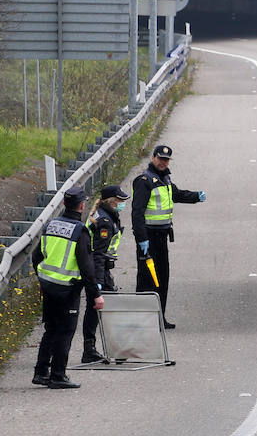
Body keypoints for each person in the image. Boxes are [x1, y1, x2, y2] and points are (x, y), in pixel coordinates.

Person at [31, 187, 104, 388]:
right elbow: (87, 267)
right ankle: (58, 376)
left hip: (48, 286)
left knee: (51, 329)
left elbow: (36, 256)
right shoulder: (80, 231)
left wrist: (43, 278)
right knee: (65, 331)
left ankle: (41, 372)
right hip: (68, 289)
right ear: (82, 206)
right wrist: (96, 295)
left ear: (64, 204)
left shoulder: (50, 225)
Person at [132, 144, 205, 329]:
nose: (163, 162)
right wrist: (141, 239)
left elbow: (176, 194)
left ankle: (159, 318)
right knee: (147, 280)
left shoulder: (164, 179)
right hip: (148, 237)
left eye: (166, 160)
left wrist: (196, 196)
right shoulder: (144, 180)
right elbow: (137, 212)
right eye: (160, 158)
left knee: (162, 279)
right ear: (153, 158)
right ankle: (142, 320)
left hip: (161, 237)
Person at [81, 184, 127, 364]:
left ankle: (90, 349)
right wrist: (98, 282)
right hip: (98, 269)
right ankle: (116, 349)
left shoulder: (103, 214)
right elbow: (99, 253)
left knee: (95, 310)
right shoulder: (105, 222)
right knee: (109, 307)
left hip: (97, 268)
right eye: (121, 200)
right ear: (113, 202)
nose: (123, 203)